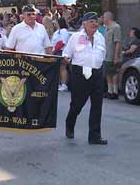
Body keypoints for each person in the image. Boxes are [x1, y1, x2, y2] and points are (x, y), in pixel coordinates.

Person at [63, 12, 107, 145]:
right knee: (77, 104)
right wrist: (66, 59)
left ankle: (94, 136)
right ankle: (69, 124)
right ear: (84, 24)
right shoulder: (76, 37)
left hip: (97, 73)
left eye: (96, 21)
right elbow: (66, 53)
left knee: (97, 105)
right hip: (80, 73)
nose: (94, 23)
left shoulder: (100, 37)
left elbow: (102, 54)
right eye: (91, 21)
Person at [103, 11, 122, 100]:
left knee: (114, 73)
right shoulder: (107, 28)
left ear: (108, 18)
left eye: (104, 17)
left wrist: (116, 56)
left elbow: (117, 42)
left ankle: (115, 91)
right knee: (108, 73)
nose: (103, 19)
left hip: (113, 54)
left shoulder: (116, 27)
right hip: (107, 54)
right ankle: (110, 91)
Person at [51, 17, 70, 92]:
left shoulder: (64, 31)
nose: (54, 22)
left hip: (61, 51)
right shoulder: (56, 32)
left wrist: (55, 50)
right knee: (58, 69)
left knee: (63, 68)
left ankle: (64, 84)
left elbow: (62, 42)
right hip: (55, 52)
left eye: (56, 21)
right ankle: (58, 83)